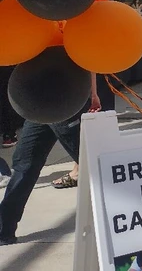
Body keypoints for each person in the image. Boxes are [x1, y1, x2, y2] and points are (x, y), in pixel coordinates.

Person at [0, 74, 100, 245]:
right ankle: (4, 231)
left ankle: (127, 215)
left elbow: (87, 58)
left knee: (93, 167)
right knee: (25, 164)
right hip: (39, 107)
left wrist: (93, 93)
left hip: (65, 102)